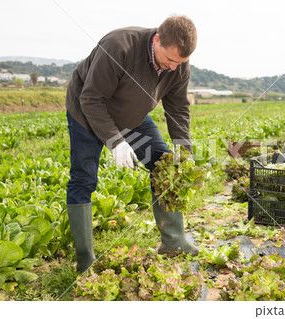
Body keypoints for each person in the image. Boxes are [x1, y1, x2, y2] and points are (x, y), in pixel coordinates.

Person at [65, 16, 198, 272]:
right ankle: (85, 259)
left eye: (179, 63)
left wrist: (184, 149)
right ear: (157, 39)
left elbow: (178, 107)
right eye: (169, 60)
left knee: (165, 167)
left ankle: (174, 240)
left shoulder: (178, 64)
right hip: (87, 111)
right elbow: (91, 99)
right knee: (83, 179)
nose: (173, 68)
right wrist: (116, 141)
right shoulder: (118, 46)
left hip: (132, 115)